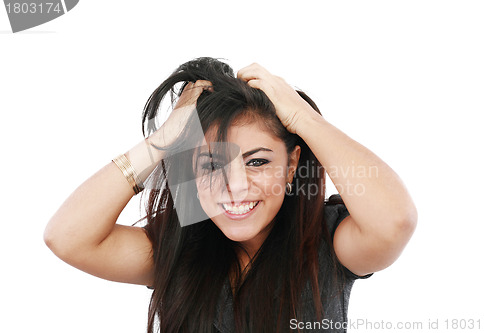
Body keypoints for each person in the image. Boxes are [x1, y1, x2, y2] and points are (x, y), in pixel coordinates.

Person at [44, 57, 417, 332]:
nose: (235, 186)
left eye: (257, 162)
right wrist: (162, 141)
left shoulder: (328, 242)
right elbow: (67, 238)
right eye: (211, 165)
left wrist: (304, 118)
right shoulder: (177, 249)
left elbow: (395, 221)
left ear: (291, 165)